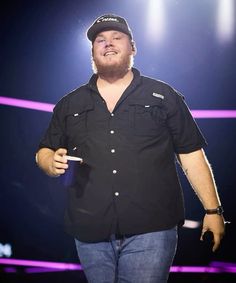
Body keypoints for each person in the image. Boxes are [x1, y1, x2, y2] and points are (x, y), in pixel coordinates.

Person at [36, 14, 225, 283]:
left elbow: (191, 155)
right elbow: (44, 150)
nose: (108, 43)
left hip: (152, 228)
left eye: (116, 37)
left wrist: (213, 211)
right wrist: (50, 161)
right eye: (100, 40)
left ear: (133, 47)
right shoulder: (70, 104)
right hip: (89, 230)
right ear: (92, 52)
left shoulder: (163, 96)